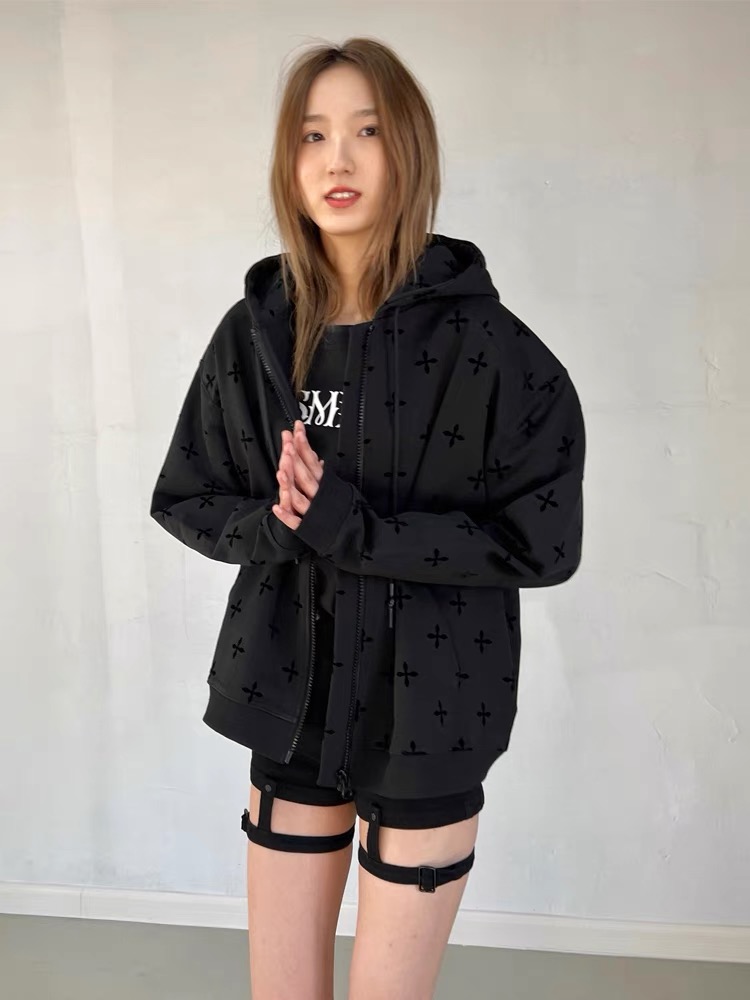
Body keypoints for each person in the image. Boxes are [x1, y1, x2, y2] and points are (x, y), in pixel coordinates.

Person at [150, 36, 586, 1000]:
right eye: (312, 135)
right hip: (290, 694)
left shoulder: (493, 350)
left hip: (435, 705)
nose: (336, 159)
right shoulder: (255, 335)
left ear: (409, 150)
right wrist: (278, 526)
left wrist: (356, 529)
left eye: (367, 131)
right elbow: (186, 494)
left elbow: (544, 542)